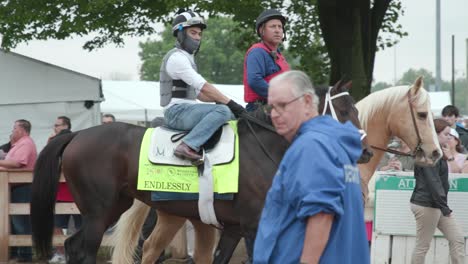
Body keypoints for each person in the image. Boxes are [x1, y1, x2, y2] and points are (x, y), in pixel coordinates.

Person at [253, 71, 369, 263]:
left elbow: (321, 215)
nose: (274, 114)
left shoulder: (311, 146)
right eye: (270, 107)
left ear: (307, 101)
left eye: (282, 105)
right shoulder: (335, 144)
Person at [160, 10, 244, 162]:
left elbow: (201, 95)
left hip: (187, 110)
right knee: (224, 111)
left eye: (200, 34)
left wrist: (218, 101)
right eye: (193, 33)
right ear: (180, 33)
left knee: (230, 114)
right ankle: (187, 146)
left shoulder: (187, 59)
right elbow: (204, 86)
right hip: (176, 113)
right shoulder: (177, 58)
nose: (198, 38)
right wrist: (230, 103)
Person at [410, 118, 465, 264]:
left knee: (457, 238)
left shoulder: (435, 152)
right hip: (427, 204)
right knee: (422, 246)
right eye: (446, 134)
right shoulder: (429, 152)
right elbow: (434, 184)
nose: (449, 137)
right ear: (436, 133)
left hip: (435, 204)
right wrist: (445, 207)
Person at [0, 119, 37, 262]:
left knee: (20, 223)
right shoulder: (21, 144)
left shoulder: (26, 143)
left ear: (22, 130)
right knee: (15, 224)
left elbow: (17, 163)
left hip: (22, 186)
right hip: (15, 186)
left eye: (15, 128)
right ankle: (16, 253)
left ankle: (25, 255)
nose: (13, 130)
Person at [47, 116, 81, 263]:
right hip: (61, 192)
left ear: (66, 126)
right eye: (54, 125)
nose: (55, 127)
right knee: (57, 225)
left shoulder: (78, 142)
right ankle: (61, 253)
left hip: (78, 193)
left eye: (57, 125)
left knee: (81, 226)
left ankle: (79, 252)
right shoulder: (54, 143)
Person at [243, 9, 290, 112]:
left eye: (280, 27)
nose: (277, 30)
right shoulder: (257, 52)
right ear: (261, 30)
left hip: (279, 107)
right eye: (273, 26)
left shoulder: (279, 55)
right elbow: (254, 80)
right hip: (261, 110)